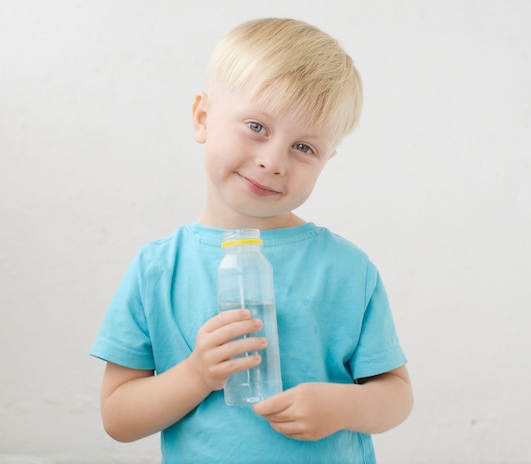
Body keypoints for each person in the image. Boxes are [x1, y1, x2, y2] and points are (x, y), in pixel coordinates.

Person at [90, 17, 413, 463]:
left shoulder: (347, 269)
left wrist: (345, 406)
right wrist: (196, 374)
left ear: (327, 159)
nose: (273, 161)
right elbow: (118, 416)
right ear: (203, 118)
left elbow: (396, 392)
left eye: (304, 147)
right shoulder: (158, 270)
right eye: (257, 127)